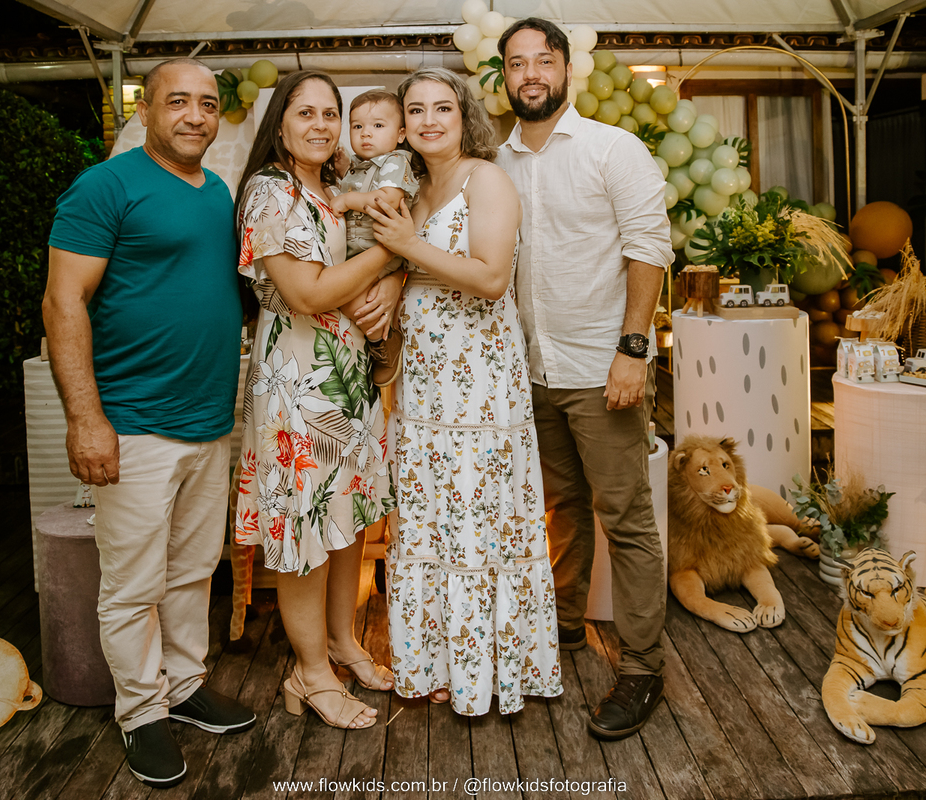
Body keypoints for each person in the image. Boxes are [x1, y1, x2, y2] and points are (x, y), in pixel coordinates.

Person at [44, 58, 257, 789]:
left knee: (194, 570)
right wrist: (85, 419)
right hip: (133, 422)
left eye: (207, 104)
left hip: (208, 420)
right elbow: (62, 302)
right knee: (133, 584)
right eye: (178, 102)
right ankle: (141, 713)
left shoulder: (217, 190)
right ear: (145, 110)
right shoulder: (105, 186)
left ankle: (185, 684)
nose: (195, 115)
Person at [495, 18, 674, 740]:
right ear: (504, 78)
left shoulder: (612, 148)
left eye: (544, 60)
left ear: (568, 69)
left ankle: (643, 667)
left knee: (625, 516)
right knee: (561, 506)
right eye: (517, 64)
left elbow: (648, 246)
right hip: (529, 370)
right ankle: (566, 625)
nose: (531, 74)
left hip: (603, 368)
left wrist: (633, 349)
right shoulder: (495, 164)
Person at [369, 66, 562, 716]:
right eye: (416, 110)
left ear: (463, 117)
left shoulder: (486, 179)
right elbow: (406, 267)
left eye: (442, 108)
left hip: (479, 385)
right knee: (431, 519)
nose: (429, 120)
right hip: (424, 387)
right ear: (402, 125)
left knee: (478, 520)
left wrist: (405, 249)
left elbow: (489, 278)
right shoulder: (412, 189)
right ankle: (437, 663)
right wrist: (393, 279)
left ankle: (490, 670)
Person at [233, 70, 402, 731]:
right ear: (279, 123)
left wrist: (391, 275)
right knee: (304, 529)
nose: (322, 124)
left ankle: (342, 644)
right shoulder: (268, 192)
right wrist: (394, 250)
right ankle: (307, 673)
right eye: (306, 113)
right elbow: (307, 294)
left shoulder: (331, 189)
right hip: (298, 390)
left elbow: (355, 248)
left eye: (331, 113)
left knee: (346, 519)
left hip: (347, 380)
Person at [331, 90, 420, 385]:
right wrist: (344, 171)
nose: (366, 133)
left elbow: (386, 199)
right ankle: (374, 339)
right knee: (346, 299)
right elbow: (361, 184)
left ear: (400, 134)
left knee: (352, 301)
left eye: (378, 126)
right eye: (357, 126)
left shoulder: (396, 161)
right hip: (358, 253)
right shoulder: (360, 165)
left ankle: (384, 342)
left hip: (381, 249)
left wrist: (347, 200)